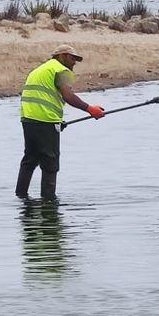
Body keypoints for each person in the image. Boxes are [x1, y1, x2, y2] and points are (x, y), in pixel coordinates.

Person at [15, 45, 106, 203]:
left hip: (28, 120)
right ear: (62, 56)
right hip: (45, 121)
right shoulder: (60, 70)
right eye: (72, 58)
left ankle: (20, 197)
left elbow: (44, 97)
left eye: (76, 60)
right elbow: (68, 96)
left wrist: (58, 122)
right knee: (50, 162)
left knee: (30, 159)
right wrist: (90, 109)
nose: (74, 63)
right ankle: (49, 201)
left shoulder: (40, 70)